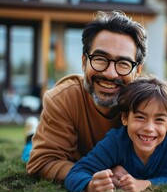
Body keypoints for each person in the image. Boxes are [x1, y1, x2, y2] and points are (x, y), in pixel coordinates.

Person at [26, 10, 148, 182]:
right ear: (84, 62)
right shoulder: (63, 98)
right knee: (28, 152)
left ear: (137, 71)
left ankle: (31, 132)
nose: (110, 74)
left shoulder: (149, 104)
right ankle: (30, 136)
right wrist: (95, 176)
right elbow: (42, 162)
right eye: (100, 59)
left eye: (123, 63)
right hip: (69, 155)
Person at [65, 77, 167, 192]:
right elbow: (75, 173)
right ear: (124, 118)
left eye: (159, 120)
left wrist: (143, 184)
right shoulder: (116, 141)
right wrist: (90, 186)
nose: (149, 128)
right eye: (140, 117)